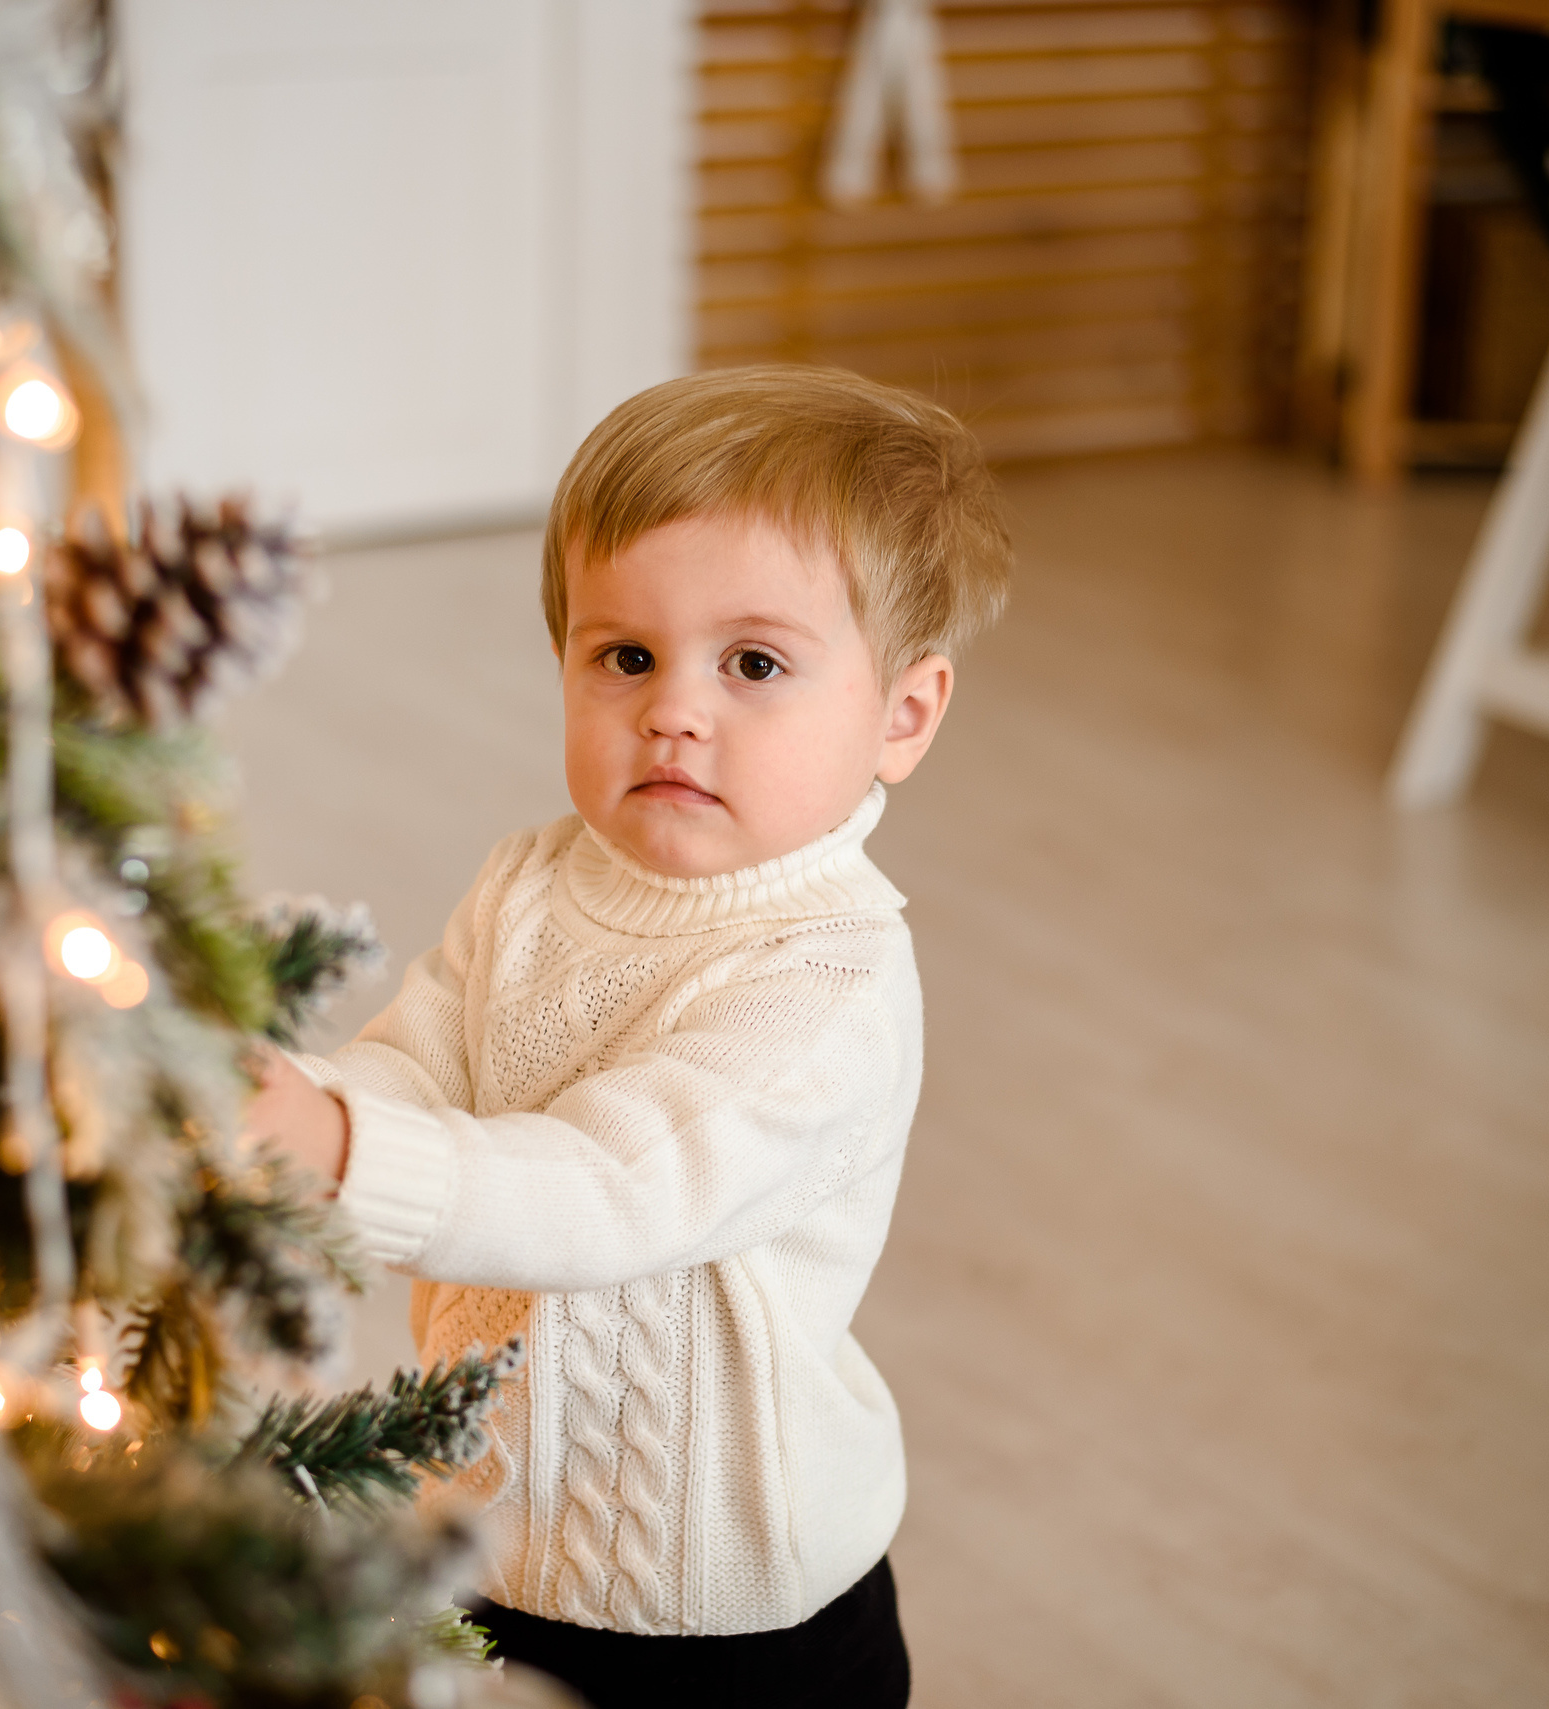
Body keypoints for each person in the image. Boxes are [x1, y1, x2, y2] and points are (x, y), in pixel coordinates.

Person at [244, 364, 1010, 1708]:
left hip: (729, 1619)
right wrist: (290, 1112)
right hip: (480, 1540)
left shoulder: (828, 978)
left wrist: (338, 1153)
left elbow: (614, 1188)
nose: (674, 709)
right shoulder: (532, 881)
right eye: (626, 656)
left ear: (902, 714)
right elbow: (415, 1062)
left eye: (754, 664)